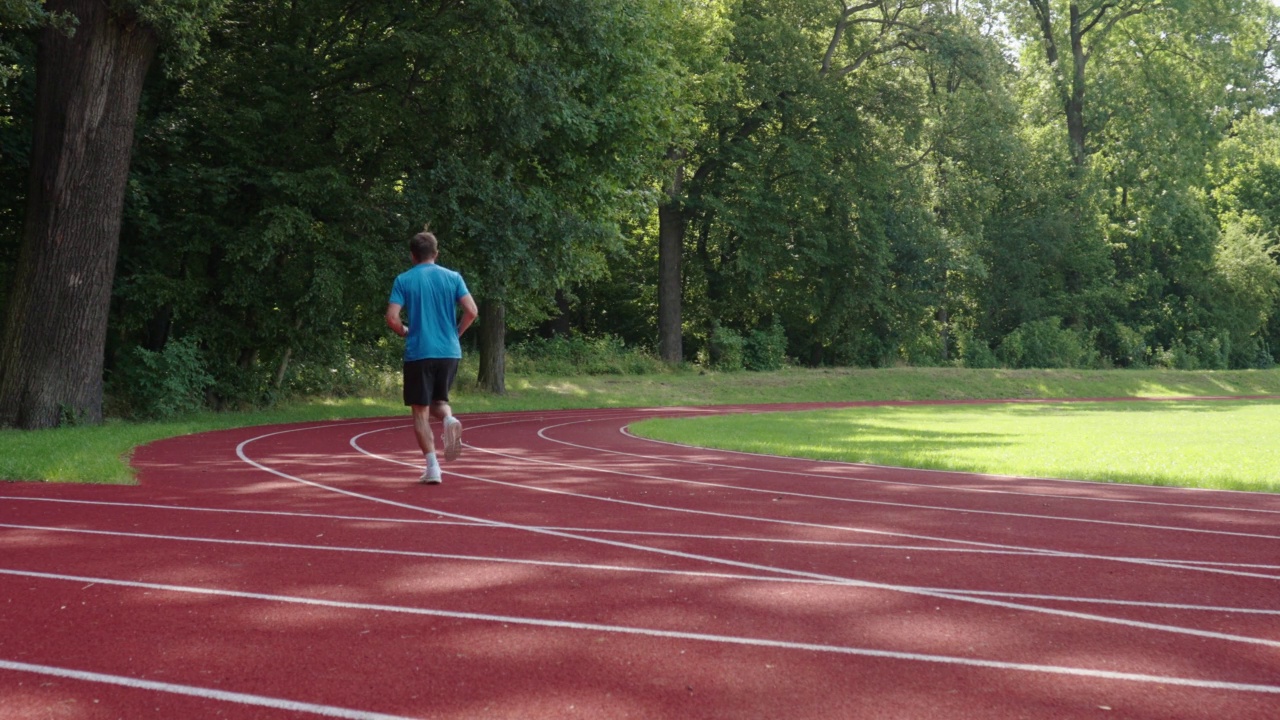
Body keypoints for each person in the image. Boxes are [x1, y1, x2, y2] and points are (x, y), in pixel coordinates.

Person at [385, 226, 478, 484]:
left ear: (412, 256)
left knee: (420, 412)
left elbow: (392, 317)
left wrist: (405, 331)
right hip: (449, 351)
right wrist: (456, 333)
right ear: (435, 253)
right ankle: (449, 419)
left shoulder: (404, 280)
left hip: (419, 352)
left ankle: (433, 467)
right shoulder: (453, 277)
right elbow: (472, 310)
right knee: (439, 402)